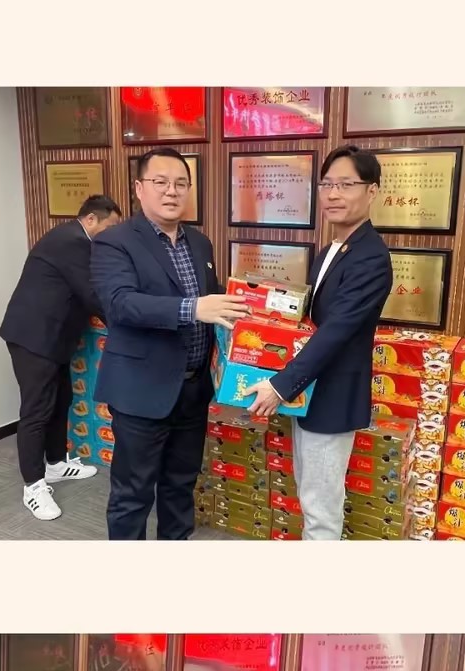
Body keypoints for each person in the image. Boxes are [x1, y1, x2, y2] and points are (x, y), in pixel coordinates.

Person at [90, 148, 250, 540]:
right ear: (139, 188)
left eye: (180, 183)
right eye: (160, 182)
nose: (171, 191)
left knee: (181, 486)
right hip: (141, 391)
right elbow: (120, 303)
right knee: (133, 494)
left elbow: (214, 303)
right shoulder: (114, 241)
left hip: (193, 389)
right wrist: (193, 308)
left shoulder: (200, 243)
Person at [246, 145, 393, 540]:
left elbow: (337, 331)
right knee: (310, 496)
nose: (333, 194)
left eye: (346, 185)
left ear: (372, 191)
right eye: (327, 185)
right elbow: (311, 321)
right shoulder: (331, 250)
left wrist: (280, 385)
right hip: (311, 394)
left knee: (321, 509)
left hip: (333, 398)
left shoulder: (371, 257)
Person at [0, 195, 122, 521]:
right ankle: (33, 486)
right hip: (32, 337)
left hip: (55, 339)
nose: (112, 234)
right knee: (36, 411)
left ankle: (55, 464)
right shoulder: (72, 242)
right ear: (91, 219)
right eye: (110, 227)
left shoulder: (78, 241)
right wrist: (128, 323)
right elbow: (93, 294)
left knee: (61, 400)